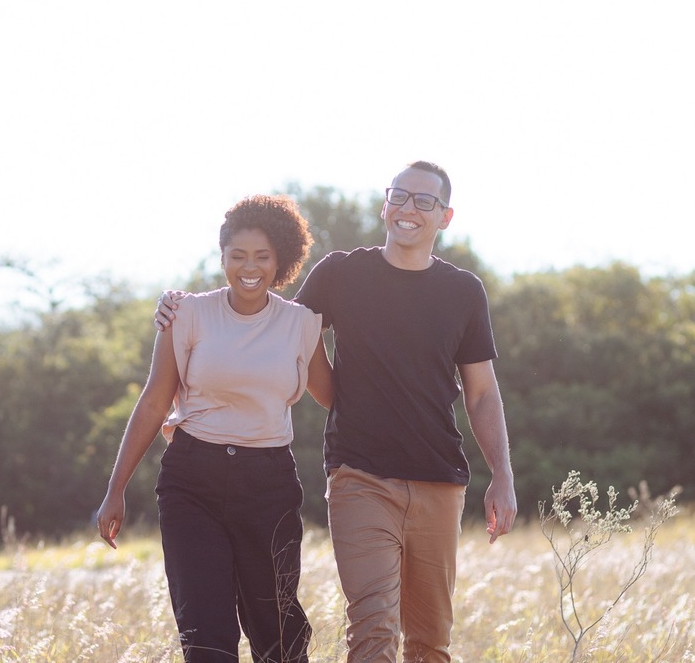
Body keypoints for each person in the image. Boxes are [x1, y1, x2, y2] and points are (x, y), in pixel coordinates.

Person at [158, 161, 517, 663]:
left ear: (446, 217)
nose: (408, 208)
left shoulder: (463, 291)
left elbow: (481, 393)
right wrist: (181, 308)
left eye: (424, 201)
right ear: (384, 205)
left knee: (431, 640)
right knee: (373, 626)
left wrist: (502, 474)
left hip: (440, 480)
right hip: (358, 475)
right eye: (400, 196)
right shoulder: (342, 273)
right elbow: (276, 330)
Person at [97, 194, 333, 663]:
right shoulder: (185, 314)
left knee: (279, 635)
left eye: (263, 256)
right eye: (238, 256)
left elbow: (337, 400)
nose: (250, 267)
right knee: (205, 635)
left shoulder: (301, 324)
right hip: (192, 481)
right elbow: (153, 402)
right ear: (222, 257)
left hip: (269, 485)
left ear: (281, 260)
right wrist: (115, 488)